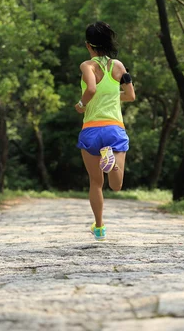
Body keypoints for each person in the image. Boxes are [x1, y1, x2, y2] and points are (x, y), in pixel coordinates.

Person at [75, 21, 135, 241]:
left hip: (91, 129)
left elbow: (91, 89)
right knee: (116, 185)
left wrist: (81, 105)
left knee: (95, 183)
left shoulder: (87, 66)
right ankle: (111, 159)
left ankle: (99, 227)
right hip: (114, 129)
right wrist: (111, 96)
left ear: (89, 45)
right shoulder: (119, 67)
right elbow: (130, 96)